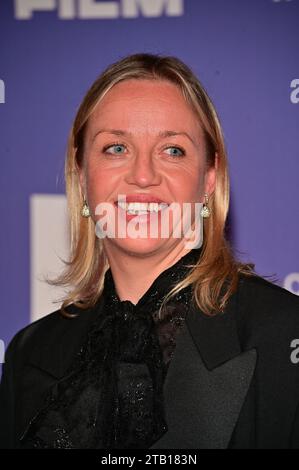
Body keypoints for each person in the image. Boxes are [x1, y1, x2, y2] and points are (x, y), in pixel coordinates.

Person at [0, 53, 299, 450]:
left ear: (209, 179)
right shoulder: (29, 351)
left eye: (172, 150)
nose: (142, 175)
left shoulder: (283, 334)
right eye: (116, 147)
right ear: (82, 174)